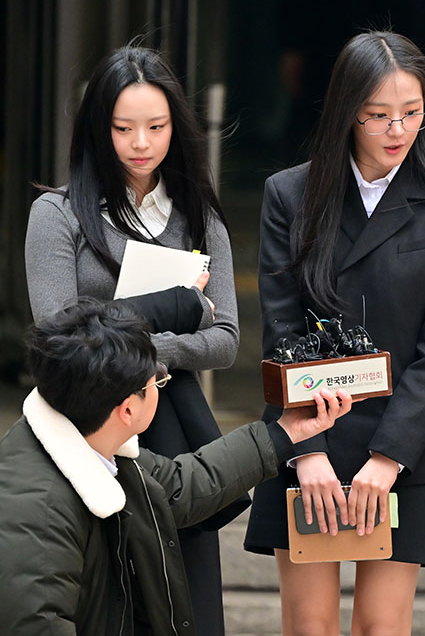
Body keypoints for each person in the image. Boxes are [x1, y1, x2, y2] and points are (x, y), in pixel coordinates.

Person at [242, 30, 425, 636]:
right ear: (348, 111)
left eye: (412, 113)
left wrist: (389, 456)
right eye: (378, 115)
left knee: (383, 626)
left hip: (405, 435)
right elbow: (282, 329)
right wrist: (306, 451)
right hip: (308, 428)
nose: (397, 130)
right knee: (310, 625)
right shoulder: (291, 195)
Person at [24, 45, 240, 635]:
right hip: (86, 429)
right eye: (123, 128)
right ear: (99, 126)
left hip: (171, 429)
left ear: (177, 126)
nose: (140, 143)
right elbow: (59, 338)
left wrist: (146, 351)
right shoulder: (57, 215)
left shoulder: (199, 217)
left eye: (156, 127)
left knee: (184, 597)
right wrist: (175, 310)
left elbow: (225, 339)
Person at [0, 299, 354, 635]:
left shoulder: (94, 444)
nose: (160, 382)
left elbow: (179, 486)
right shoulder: (39, 517)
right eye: (156, 379)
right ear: (128, 410)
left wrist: (284, 432)